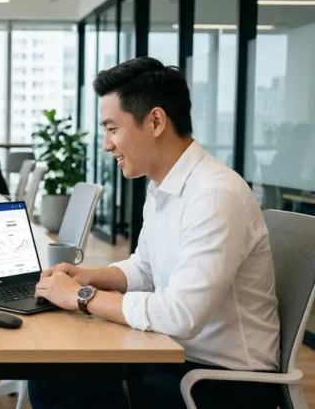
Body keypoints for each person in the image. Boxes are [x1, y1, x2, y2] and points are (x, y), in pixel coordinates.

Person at [29, 57, 280, 409]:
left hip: (222, 382)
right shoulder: (163, 186)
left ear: (156, 121)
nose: (106, 145)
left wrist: (81, 296)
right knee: (51, 375)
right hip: (174, 356)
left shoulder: (215, 195)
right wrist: (88, 276)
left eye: (112, 129)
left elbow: (181, 315)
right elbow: (145, 268)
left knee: (67, 391)